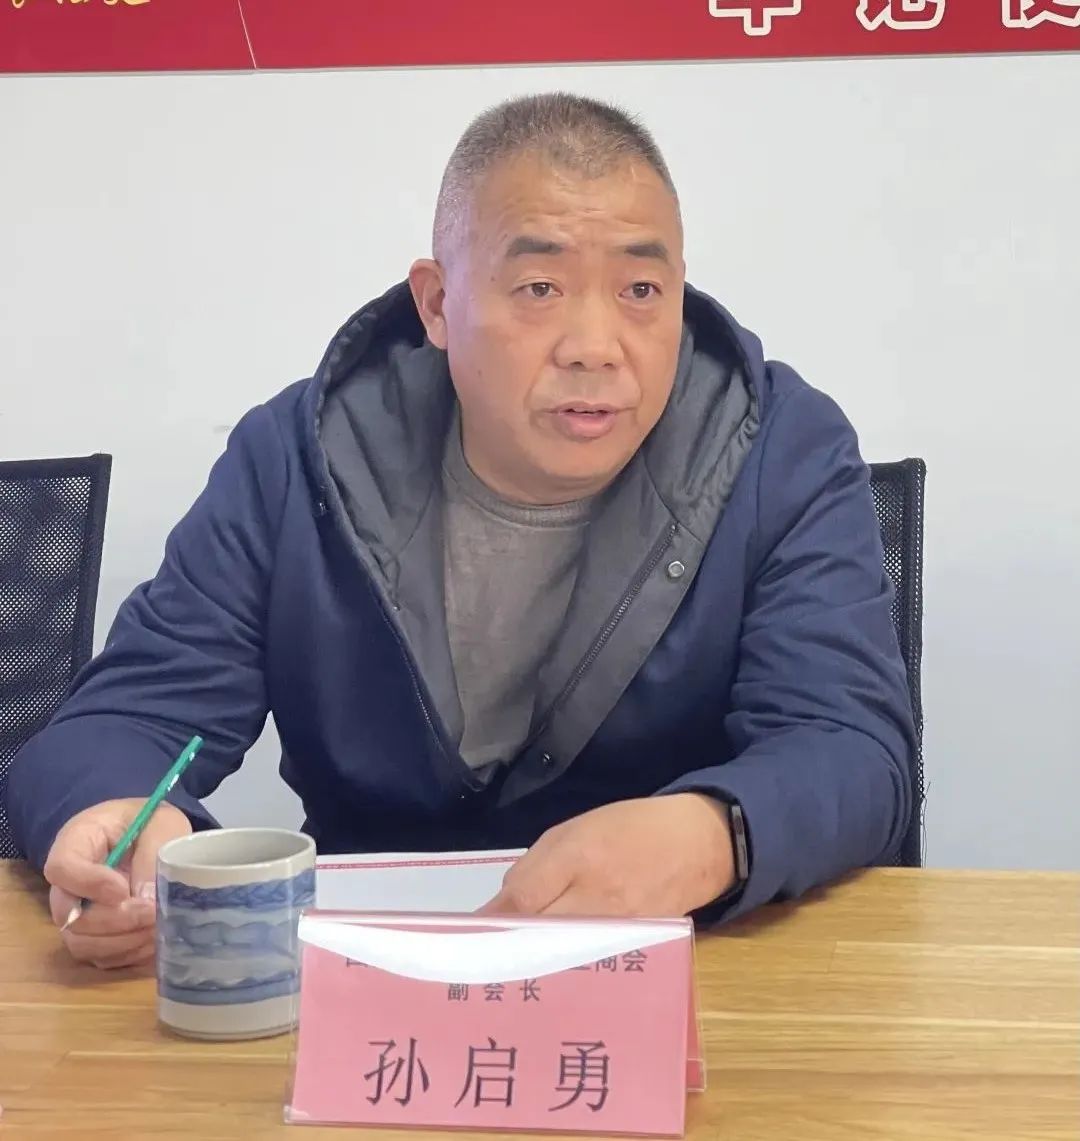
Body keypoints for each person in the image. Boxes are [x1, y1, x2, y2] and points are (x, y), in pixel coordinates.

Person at [3, 93, 914, 971]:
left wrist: (715, 830)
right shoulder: (300, 458)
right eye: (540, 287)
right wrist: (113, 815)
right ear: (437, 304)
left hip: (676, 959)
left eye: (641, 288)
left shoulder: (778, 447)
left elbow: (852, 746)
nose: (596, 345)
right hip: (367, 972)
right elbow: (129, 717)